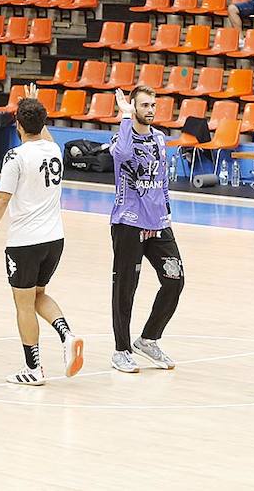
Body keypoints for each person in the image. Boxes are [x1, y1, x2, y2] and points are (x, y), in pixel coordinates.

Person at [0, 97, 85, 385]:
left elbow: (1, 198)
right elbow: (42, 132)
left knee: (23, 304)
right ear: (43, 123)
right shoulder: (53, 149)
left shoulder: (16, 157)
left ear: (17, 125)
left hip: (25, 242)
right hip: (54, 240)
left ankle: (34, 368)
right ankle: (67, 335)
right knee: (37, 295)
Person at [108, 85, 182, 374]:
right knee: (126, 288)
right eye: (144, 105)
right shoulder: (121, 137)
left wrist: (164, 211)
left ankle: (149, 338)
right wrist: (125, 116)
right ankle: (121, 350)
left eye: (153, 105)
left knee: (175, 279)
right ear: (134, 108)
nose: (150, 110)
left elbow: (162, 178)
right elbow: (123, 154)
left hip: (158, 223)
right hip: (128, 222)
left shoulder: (160, 139)